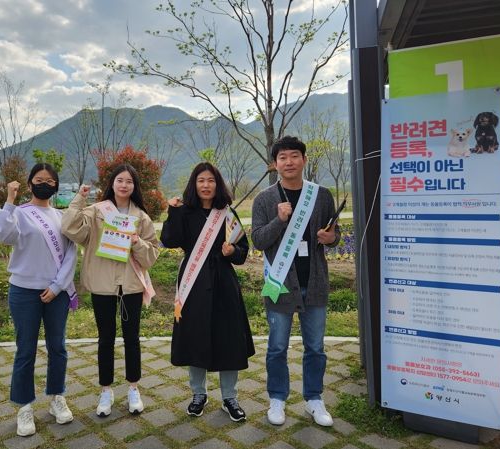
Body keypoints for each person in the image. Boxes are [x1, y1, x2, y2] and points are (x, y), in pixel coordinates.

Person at [251, 135, 341, 427]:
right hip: (279, 285)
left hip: (314, 283)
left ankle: (314, 399)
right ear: (274, 164)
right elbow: (257, 240)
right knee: (277, 347)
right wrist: (279, 220)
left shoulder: (321, 195)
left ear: (304, 159)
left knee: (315, 347)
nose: (288, 162)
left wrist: (331, 238)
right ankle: (277, 399)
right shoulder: (265, 199)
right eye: (282, 157)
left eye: (294, 156)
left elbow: (334, 233)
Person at [62, 163, 159, 417]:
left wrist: (137, 242)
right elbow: (69, 227)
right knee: (105, 339)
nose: (124, 185)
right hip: (102, 285)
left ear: (135, 186)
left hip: (131, 285)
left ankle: (133, 388)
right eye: (120, 180)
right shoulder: (96, 211)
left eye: (129, 181)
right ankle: (106, 390)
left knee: (132, 338)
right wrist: (79, 199)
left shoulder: (141, 217)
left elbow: (152, 256)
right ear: (112, 183)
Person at [161, 162, 255, 422]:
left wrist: (232, 251)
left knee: (229, 339)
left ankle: (230, 397)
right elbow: (169, 240)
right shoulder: (185, 212)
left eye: (210, 180)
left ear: (217, 184)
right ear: (194, 184)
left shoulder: (227, 213)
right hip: (193, 283)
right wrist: (172, 211)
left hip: (224, 282)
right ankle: (198, 394)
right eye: (201, 180)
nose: (206, 185)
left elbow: (243, 251)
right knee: (196, 336)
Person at [0, 163, 77, 437]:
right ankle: (24, 406)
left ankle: (56, 397)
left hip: (56, 293)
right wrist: (9, 201)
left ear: (56, 186)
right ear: (29, 184)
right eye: (39, 180)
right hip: (24, 291)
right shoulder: (19, 213)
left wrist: (57, 286)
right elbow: (0, 235)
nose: (44, 184)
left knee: (57, 347)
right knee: (25, 350)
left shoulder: (62, 217)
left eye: (50, 181)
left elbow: (71, 254)